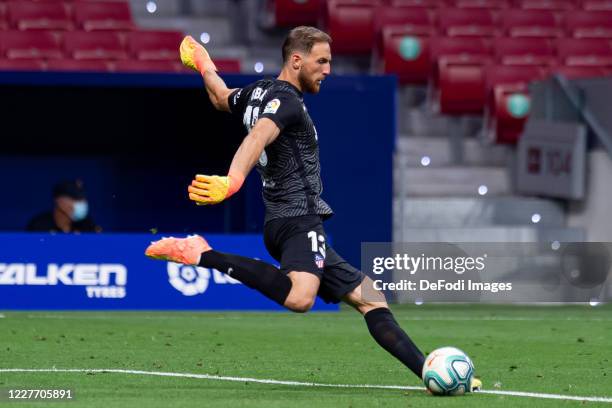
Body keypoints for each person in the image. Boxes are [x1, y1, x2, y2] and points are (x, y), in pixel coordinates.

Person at [146, 26, 480, 390]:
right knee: (301, 297)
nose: (327, 70)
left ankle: (427, 372)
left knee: (370, 298)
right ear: (296, 60)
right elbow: (258, 136)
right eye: (321, 61)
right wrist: (234, 180)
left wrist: (204, 64)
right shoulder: (286, 102)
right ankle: (202, 253)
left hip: (287, 222)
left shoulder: (256, 92)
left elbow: (220, 97)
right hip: (298, 221)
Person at [27, 180, 101, 233]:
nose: (81, 203)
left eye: (82, 198)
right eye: (75, 198)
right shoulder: (39, 225)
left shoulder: (87, 225)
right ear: (59, 201)